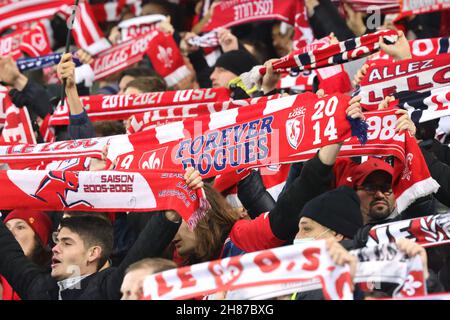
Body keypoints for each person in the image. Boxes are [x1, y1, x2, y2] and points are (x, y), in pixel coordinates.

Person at [0, 211, 181, 299]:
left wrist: (168, 216)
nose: (55, 248)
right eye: (57, 241)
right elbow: (6, 251)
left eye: (67, 243)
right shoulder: (39, 287)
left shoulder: (106, 286)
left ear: (93, 253)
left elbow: (142, 252)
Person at [0, 210, 52, 300]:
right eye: (6, 228)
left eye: (20, 227)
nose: (10, 234)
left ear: (39, 238)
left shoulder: (54, 283)